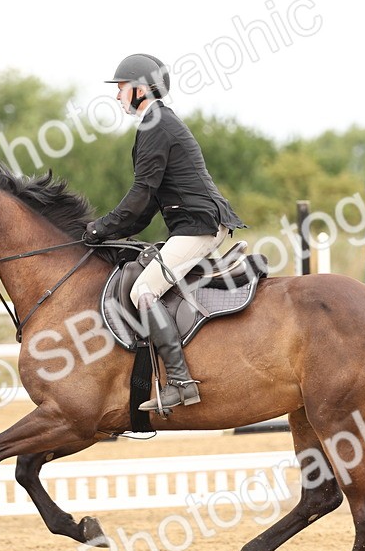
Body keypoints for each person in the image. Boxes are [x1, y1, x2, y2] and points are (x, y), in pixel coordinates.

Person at [84, 53, 245, 411]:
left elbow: (140, 195)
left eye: (122, 88)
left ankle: (180, 382)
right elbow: (148, 203)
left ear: (141, 90)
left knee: (144, 289)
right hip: (191, 223)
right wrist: (108, 231)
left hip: (199, 226)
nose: (117, 96)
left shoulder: (155, 125)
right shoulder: (156, 122)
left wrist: (99, 227)